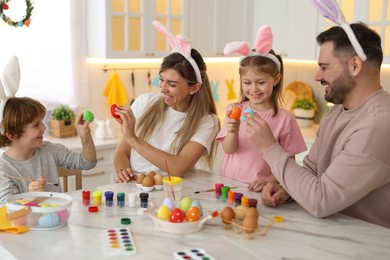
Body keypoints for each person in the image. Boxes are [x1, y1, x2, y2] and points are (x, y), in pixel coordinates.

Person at [245, 22, 390, 228]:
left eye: (324, 67)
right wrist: (288, 190)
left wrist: (269, 147)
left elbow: (321, 200)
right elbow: (312, 171)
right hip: (333, 233)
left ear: (355, 66)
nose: (317, 76)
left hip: (368, 246)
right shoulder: (337, 112)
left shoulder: (377, 126)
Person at [113, 21, 219, 182]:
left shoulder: (207, 122)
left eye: (172, 84)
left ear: (194, 88)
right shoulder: (145, 101)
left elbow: (177, 168)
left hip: (172, 191)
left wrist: (133, 138)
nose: (162, 88)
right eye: (161, 80)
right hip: (136, 185)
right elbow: (122, 153)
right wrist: (123, 173)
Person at [216, 25, 307, 190]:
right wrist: (232, 131)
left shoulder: (285, 119)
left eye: (261, 82)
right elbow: (228, 150)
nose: (254, 89)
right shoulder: (234, 110)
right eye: (247, 82)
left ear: (276, 79)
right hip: (228, 186)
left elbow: (289, 162)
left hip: (260, 190)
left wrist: (270, 181)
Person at [0, 97, 97, 203]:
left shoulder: (49, 150)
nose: (44, 127)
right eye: (36, 125)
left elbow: (88, 163)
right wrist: (30, 198)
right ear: (13, 135)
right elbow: (7, 213)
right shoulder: (3, 169)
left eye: (41, 121)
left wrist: (85, 137)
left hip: (58, 218)